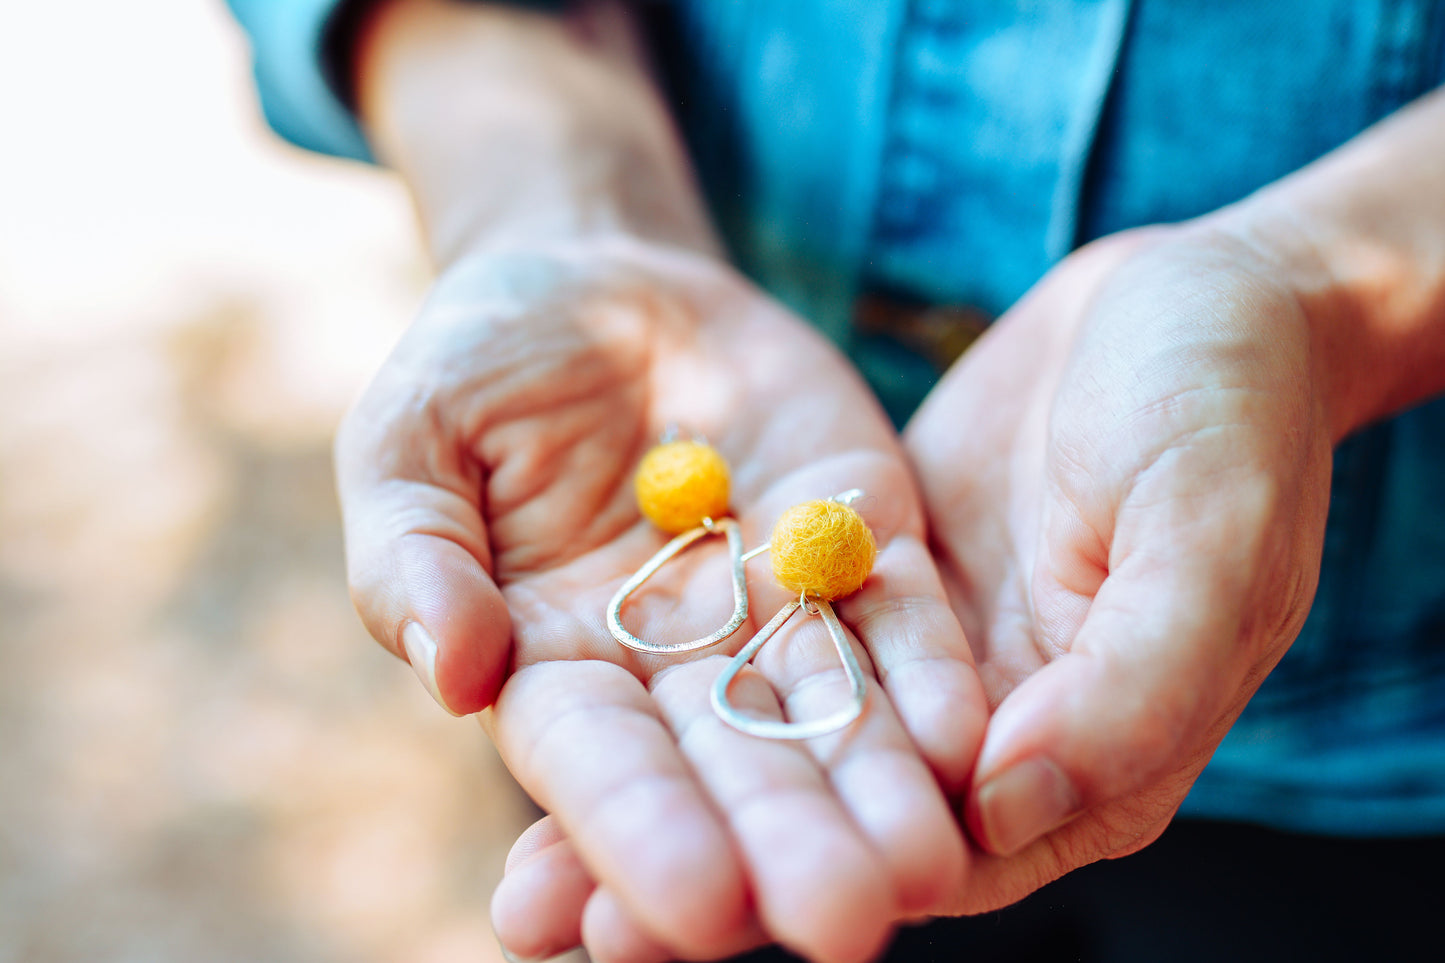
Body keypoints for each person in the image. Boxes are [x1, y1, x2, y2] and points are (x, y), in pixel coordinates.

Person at [227, 0, 1445, 960]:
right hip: (765, 618)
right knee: (702, 887)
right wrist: (559, 201)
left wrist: (1316, 291)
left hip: (1383, 774)